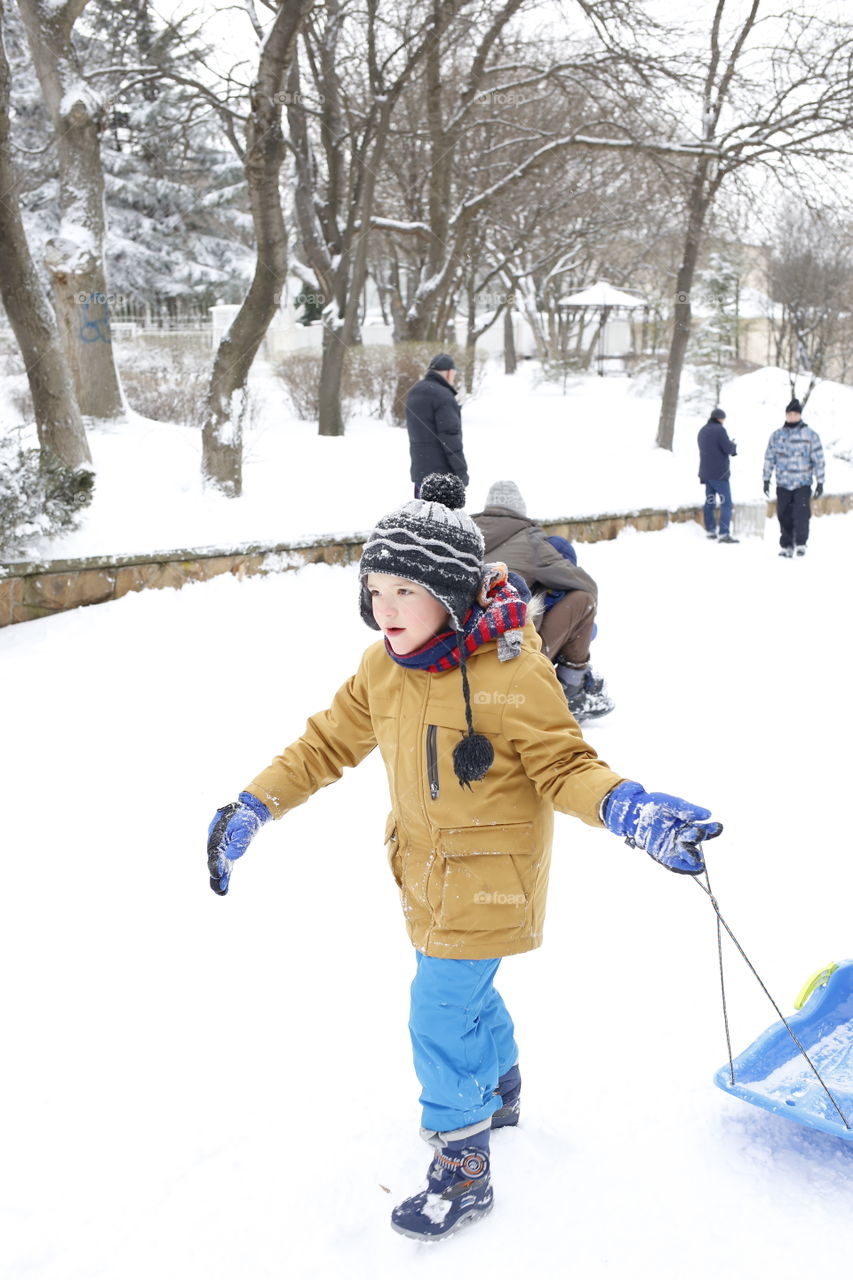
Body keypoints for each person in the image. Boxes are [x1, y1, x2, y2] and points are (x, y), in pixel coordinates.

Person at [206, 472, 722, 1243]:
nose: (383, 608)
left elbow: (564, 765)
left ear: (448, 594)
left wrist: (627, 808)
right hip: (419, 870)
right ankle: (501, 1084)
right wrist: (253, 804)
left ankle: (463, 1168)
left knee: (438, 1009)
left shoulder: (513, 672)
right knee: (463, 991)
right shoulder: (382, 668)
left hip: (492, 879)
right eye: (374, 588)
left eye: (403, 591)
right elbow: (323, 746)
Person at [471, 480, 613, 721]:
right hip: (512, 654)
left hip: (465, 648)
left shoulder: (466, 534)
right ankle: (573, 690)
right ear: (520, 512)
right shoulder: (529, 538)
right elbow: (584, 583)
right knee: (582, 600)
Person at [763, 398, 825, 557]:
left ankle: (801, 543)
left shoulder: (810, 435)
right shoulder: (777, 435)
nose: (792, 416)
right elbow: (770, 458)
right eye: (789, 413)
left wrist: (820, 482)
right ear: (786, 415)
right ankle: (787, 545)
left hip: (802, 483)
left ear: (800, 415)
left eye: (795, 413)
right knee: (783, 515)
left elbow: (818, 459)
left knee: (801, 514)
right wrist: (766, 478)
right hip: (783, 483)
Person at [405, 353, 469, 495]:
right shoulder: (444, 396)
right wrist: (461, 472)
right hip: (442, 478)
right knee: (441, 516)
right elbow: (450, 437)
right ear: (449, 373)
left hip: (420, 471)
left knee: (421, 515)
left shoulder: (414, 392)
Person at [697, 408, 738, 543]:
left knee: (710, 502)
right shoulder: (720, 430)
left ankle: (710, 530)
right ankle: (724, 534)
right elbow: (727, 448)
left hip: (706, 474)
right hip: (720, 474)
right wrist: (733, 446)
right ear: (720, 418)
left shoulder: (702, 431)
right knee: (726, 503)